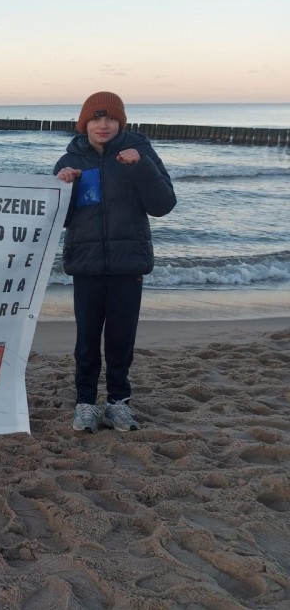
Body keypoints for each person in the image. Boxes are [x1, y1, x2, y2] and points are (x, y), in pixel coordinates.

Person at [54, 91, 176, 433]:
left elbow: (164, 204)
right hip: (86, 264)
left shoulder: (140, 153)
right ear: (84, 123)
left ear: (120, 122)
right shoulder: (69, 160)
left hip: (129, 264)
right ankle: (85, 403)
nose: (103, 125)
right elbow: (60, 219)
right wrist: (63, 187)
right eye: (96, 118)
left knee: (121, 339)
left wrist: (142, 166)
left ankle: (118, 403)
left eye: (110, 118)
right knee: (86, 340)